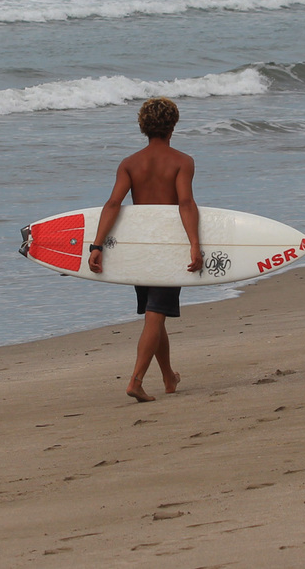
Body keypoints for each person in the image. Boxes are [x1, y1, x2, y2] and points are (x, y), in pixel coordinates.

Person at [88, 97, 203, 402]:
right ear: (173, 125)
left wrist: (97, 246)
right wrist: (194, 244)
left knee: (156, 312)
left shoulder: (129, 163)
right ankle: (136, 381)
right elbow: (185, 204)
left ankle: (168, 377)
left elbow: (113, 204)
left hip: (140, 246)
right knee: (156, 314)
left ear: (142, 126)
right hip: (168, 247)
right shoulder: (182, 161)